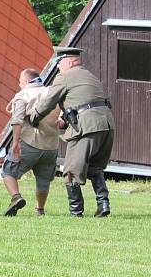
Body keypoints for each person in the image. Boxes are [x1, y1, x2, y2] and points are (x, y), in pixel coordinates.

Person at [30, 47, 114, 217]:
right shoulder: (90, 76)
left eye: (59, 63)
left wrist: (33, 117)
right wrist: (65, 119)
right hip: (106, 125)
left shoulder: (65, 77)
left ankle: (76, 212)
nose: (58, 67)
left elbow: (48, 102)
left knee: (71, 171)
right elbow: (82, 102)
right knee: (95, 168)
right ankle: (103, 204)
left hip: (86, 127)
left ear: (68, 62)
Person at [1, 69, 59, 216]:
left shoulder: (23, 95)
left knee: (8, 171)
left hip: (30, 142)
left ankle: (16, 198)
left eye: (20, 80)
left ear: (26, 81)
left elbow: (17, 120)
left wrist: (15, 143)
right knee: (43, 180)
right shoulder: (53, 93)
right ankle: (39, 210)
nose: (19, 84)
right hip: (51, 145)